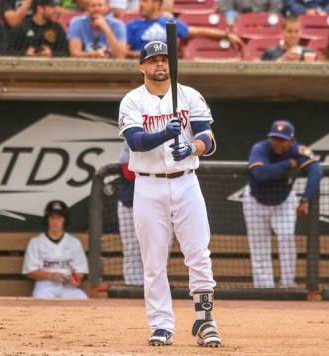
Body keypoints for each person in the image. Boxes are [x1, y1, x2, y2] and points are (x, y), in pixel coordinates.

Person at [118, 41, 222, 347]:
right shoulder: (132, 100)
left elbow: (209, 137)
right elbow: (135, 141)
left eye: (164, 60)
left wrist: (191, 147)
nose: (160, 65)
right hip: (148, 185)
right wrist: (166, 132)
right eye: (152, 61)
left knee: (199, 254)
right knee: (153, 260)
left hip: (186, 182)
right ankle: (161, 323)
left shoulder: (190, 95)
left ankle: (205, 320)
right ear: (142, 67)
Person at [242, 120, 322, 289]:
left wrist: (305, 200)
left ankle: (288, 284)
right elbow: (259, 173)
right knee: (258, 246)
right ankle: (264, 288)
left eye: (282, 139)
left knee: (286, 239)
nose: (277, 142)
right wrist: (287, 164)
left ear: (291, 141)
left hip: (283, 201)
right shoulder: (260, 148)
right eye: (275, 138)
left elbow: (316, 171)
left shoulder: (298, 150)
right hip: (256, 201)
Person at [22, 200, 89, 299]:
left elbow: (80, 270)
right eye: (52, 217)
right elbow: (29, 271)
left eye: (59, 218)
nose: (55, 221)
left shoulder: (74, 243)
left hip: (67, 287)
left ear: (65, 220)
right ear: (47, 220)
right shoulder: (36, 242)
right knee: (40, 300)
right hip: (45, 286)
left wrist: (75, 279)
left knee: (82, 298)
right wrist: (51, 276)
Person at [126, 0, 243, 56]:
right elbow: (123, 53)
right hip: (142, 68)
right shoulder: (132, 25)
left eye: (145, 1)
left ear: (157, 3)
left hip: (167, 69)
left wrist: (226, 35)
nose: (141, 4)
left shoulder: (170, 23)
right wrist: (147, 55)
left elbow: (198, 32)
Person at [117, 143, 144, 286]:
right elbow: (128, 174)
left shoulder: (168, 136)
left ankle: (154, 286)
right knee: (132, 247)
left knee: (159, 247)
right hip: (129, 203)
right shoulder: (131, 138)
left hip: (158, 203)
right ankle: (133, 287)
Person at [216, 0, 282, 25]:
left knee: (274, 19)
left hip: (264, 20)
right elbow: (225, 9)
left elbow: (274, 11)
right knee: (230, 15)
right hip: (239, 19)